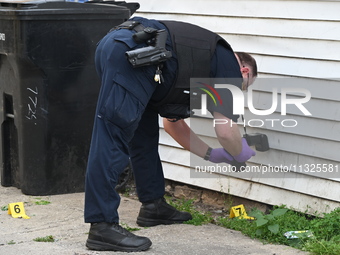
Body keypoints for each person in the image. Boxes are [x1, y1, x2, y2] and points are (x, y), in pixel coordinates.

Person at [84, 16, 257, 252]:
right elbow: (226, 131)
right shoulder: (228, 63)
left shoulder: (202, 60)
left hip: (129, 52)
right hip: (135, 53)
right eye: (245, 86)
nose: (240, 89)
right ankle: (101, 226)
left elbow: (173, 125)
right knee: (112, 135)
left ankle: (153, 207)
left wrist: (212, 155)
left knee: (142, 136)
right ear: (244, 71)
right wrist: (239, 153)